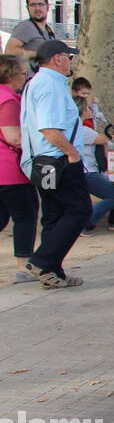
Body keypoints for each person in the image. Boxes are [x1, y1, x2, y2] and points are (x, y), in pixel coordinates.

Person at [19, 40, 89, 287]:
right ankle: (43, 260)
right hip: (57, 159)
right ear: (58, 58)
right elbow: (49, 128)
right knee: (79, 209)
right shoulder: (50, 85)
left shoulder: (37, 82)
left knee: (54, 214)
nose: (71, 61)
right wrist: (72, 155)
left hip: (42, 160)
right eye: (68, 57)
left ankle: (52, 271)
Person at [0, 55, 39, 282]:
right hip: (9, 170)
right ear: (11, 73)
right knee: (25, 215)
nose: (25, 78)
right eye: (23, 73)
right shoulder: (8, 100)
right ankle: (24, 266)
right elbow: (13, 137)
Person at [76, 98, 114, 234]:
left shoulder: (76, 128)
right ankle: (87, 222)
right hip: (88, 171)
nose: (91, 110)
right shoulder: (82, 130)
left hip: (85, 169)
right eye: (88, 108)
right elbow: (104, 139)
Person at [3, 0, 59, 69]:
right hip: (30, 79)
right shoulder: (25, 27)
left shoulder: (48, 29)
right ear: (27, 8)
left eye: (41, 4)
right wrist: (38, 54)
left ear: (48, 7)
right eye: (33, 5)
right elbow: (10, 51)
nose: (37, 8)